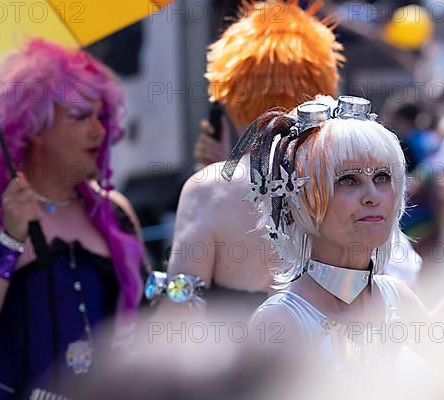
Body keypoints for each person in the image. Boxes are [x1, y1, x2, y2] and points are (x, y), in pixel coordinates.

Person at [0, 39, 146, 399]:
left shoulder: (113, 211)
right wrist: (10, 241)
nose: (99, 131)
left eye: (101, 115)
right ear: (35, 126)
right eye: (81, 116)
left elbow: (150, 325)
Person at [147, 0, 344, 314]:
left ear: (232, 92)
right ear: (322, 87)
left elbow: (178, 315)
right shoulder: (345, 180)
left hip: (234, 361)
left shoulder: (208, 188)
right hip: (321, 361)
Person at [249, 96, 426, 367]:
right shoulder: (279, 325)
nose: (372, 196)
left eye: (382, 177)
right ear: (302, 199)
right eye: (348, 180)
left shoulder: (399, 299)